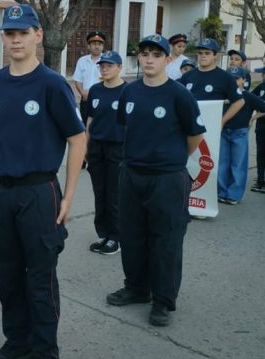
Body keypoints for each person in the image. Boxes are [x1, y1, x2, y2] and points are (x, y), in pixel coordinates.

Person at [0, 5, 86, 359]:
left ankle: (45, 355)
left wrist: (69, 195)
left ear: (38, 35)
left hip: (38, 193)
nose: (16, 40)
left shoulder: (52, 84)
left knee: (40, 278)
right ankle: (18, 341)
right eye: (10, 34)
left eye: (23, 32)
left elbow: (77, 137)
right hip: (0, 192)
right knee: (6, 273)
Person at [106, 34, 206, 327]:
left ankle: (163, 300)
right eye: (145, 54)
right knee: (133, 235)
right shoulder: (130, 92)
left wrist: (171, 158)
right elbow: (128, 128)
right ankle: (137, 288)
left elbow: (195, 136)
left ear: (167, 59)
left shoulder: (179, 95)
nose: (149, 59)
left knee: (166, 240)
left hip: (167, 178)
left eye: (156, 54)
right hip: (132, 174)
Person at [86, 51, 126, 255]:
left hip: (118, 148)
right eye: (102, 66)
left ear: (120, 67)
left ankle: (116, 237)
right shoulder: (95, 90)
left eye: (109, 65)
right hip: (96, 147)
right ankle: (104, 232)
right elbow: (90, 120)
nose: (104, 69)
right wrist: (86, 146)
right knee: (100, 192)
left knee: (114, 193)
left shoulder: (128, 91)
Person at [218, 67, 265, 204]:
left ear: (244, 80)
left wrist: (253, 117)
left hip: (240, 133)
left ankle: (234, 195)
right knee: (222, 164)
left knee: (238, 165)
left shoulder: (248, 96)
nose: (233, 81)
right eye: (230, 78)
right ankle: (221, 192)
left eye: (237, 78)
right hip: (223, 132)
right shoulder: (223, 95)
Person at [178, 38, 244, 128]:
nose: (203, 56)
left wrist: (222, 121)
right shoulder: (187, 75)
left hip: (211, 126)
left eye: (207, 53)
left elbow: (239, 102)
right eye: (200, 53)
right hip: (188, 125)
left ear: (215, 55)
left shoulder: (224, 77)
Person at [73, 31, 104, 124]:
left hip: (103, 98)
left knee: (101, 124)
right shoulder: (82, 61)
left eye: (99, 44)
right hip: (86, 99)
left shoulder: (107, 61)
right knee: (85, 124)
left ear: (102, 46)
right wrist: (83, 93)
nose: (97, 46)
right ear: (88, 46)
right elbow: (77, 80)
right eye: (94, 44)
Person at [250, 67, 265, 193]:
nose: (262, 76)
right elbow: (249, 99)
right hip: (261, 127)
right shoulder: (261, 87)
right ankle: (261, 180)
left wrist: (254, 117)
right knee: (260, 154)